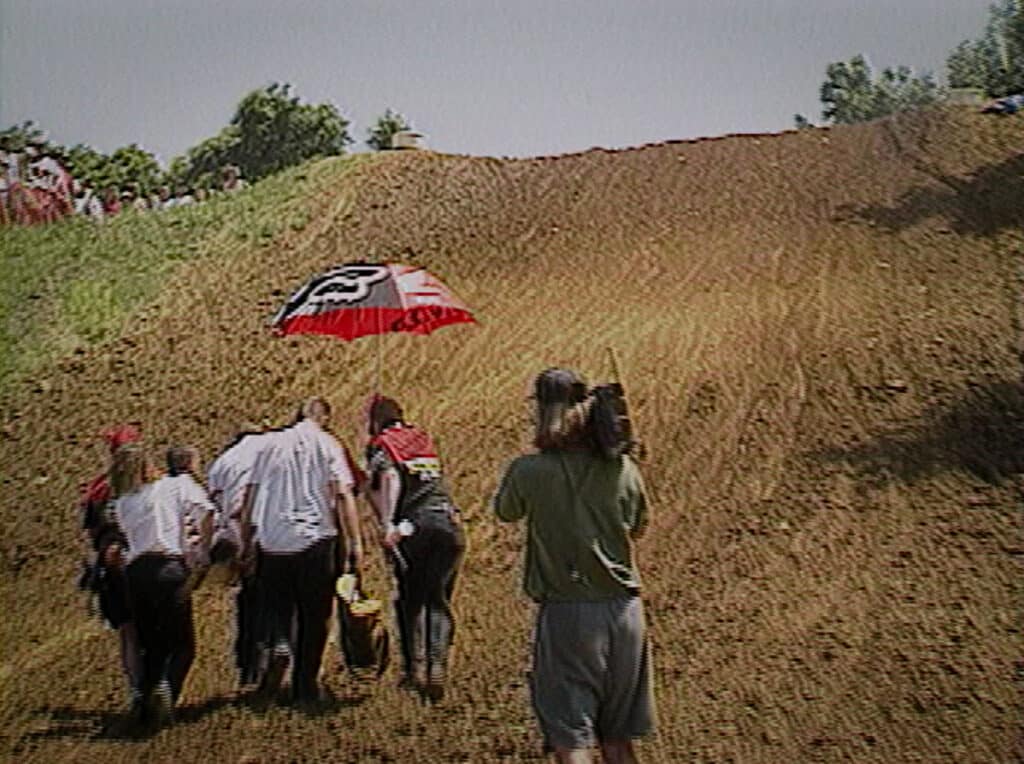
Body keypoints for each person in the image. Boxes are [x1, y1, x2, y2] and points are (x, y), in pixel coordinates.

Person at [494, 368, 655, 764]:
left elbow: (506, 511)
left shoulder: (529, 471)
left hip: (569, 614)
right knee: (617, 740)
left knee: (573, 736)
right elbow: (638, 527)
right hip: (626, 613)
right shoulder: (624, 470)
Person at [239, 397, 362, 704]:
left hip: (273, 541)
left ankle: (280, 642)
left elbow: (250, 496)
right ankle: (305, 685)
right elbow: (343, 495)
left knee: (279, 607)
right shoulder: (327, 443)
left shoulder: (267, 445)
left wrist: (246, 542)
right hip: (315, 541)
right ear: (324, 418)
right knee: (315, 615)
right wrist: (356, 542)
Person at [364, 395, 464, 701]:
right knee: (438, 597)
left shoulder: (383, 444)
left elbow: (391, 477)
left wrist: (388, 523)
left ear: (375, 421)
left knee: (410, 599)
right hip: (449, 525)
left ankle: (415, 669)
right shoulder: (421, 439)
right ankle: (438, 664)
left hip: (414, 526)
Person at [109, 444, 214, 726]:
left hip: (136, 574)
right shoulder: (174, 486)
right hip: (169, 570)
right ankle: (167, 690)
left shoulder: (121, 503)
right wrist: (202, 552)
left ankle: (145, 699)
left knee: (151, 642)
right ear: (147, 466)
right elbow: (206, 512)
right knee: (182, 644)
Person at [78, 425, 143, 711]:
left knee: (128, 632)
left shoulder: (98, 488)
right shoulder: (151, 483)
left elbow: (91, 532)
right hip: (146, 558)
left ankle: (136, 690)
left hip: (112, 564)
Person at [206, 422, 269, 687]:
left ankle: (248, 666)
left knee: (248, 599)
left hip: (236, 537)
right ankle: (274, 652)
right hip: (268, 534)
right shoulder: (270, 454)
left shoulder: (223, 461)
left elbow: (213, 507)